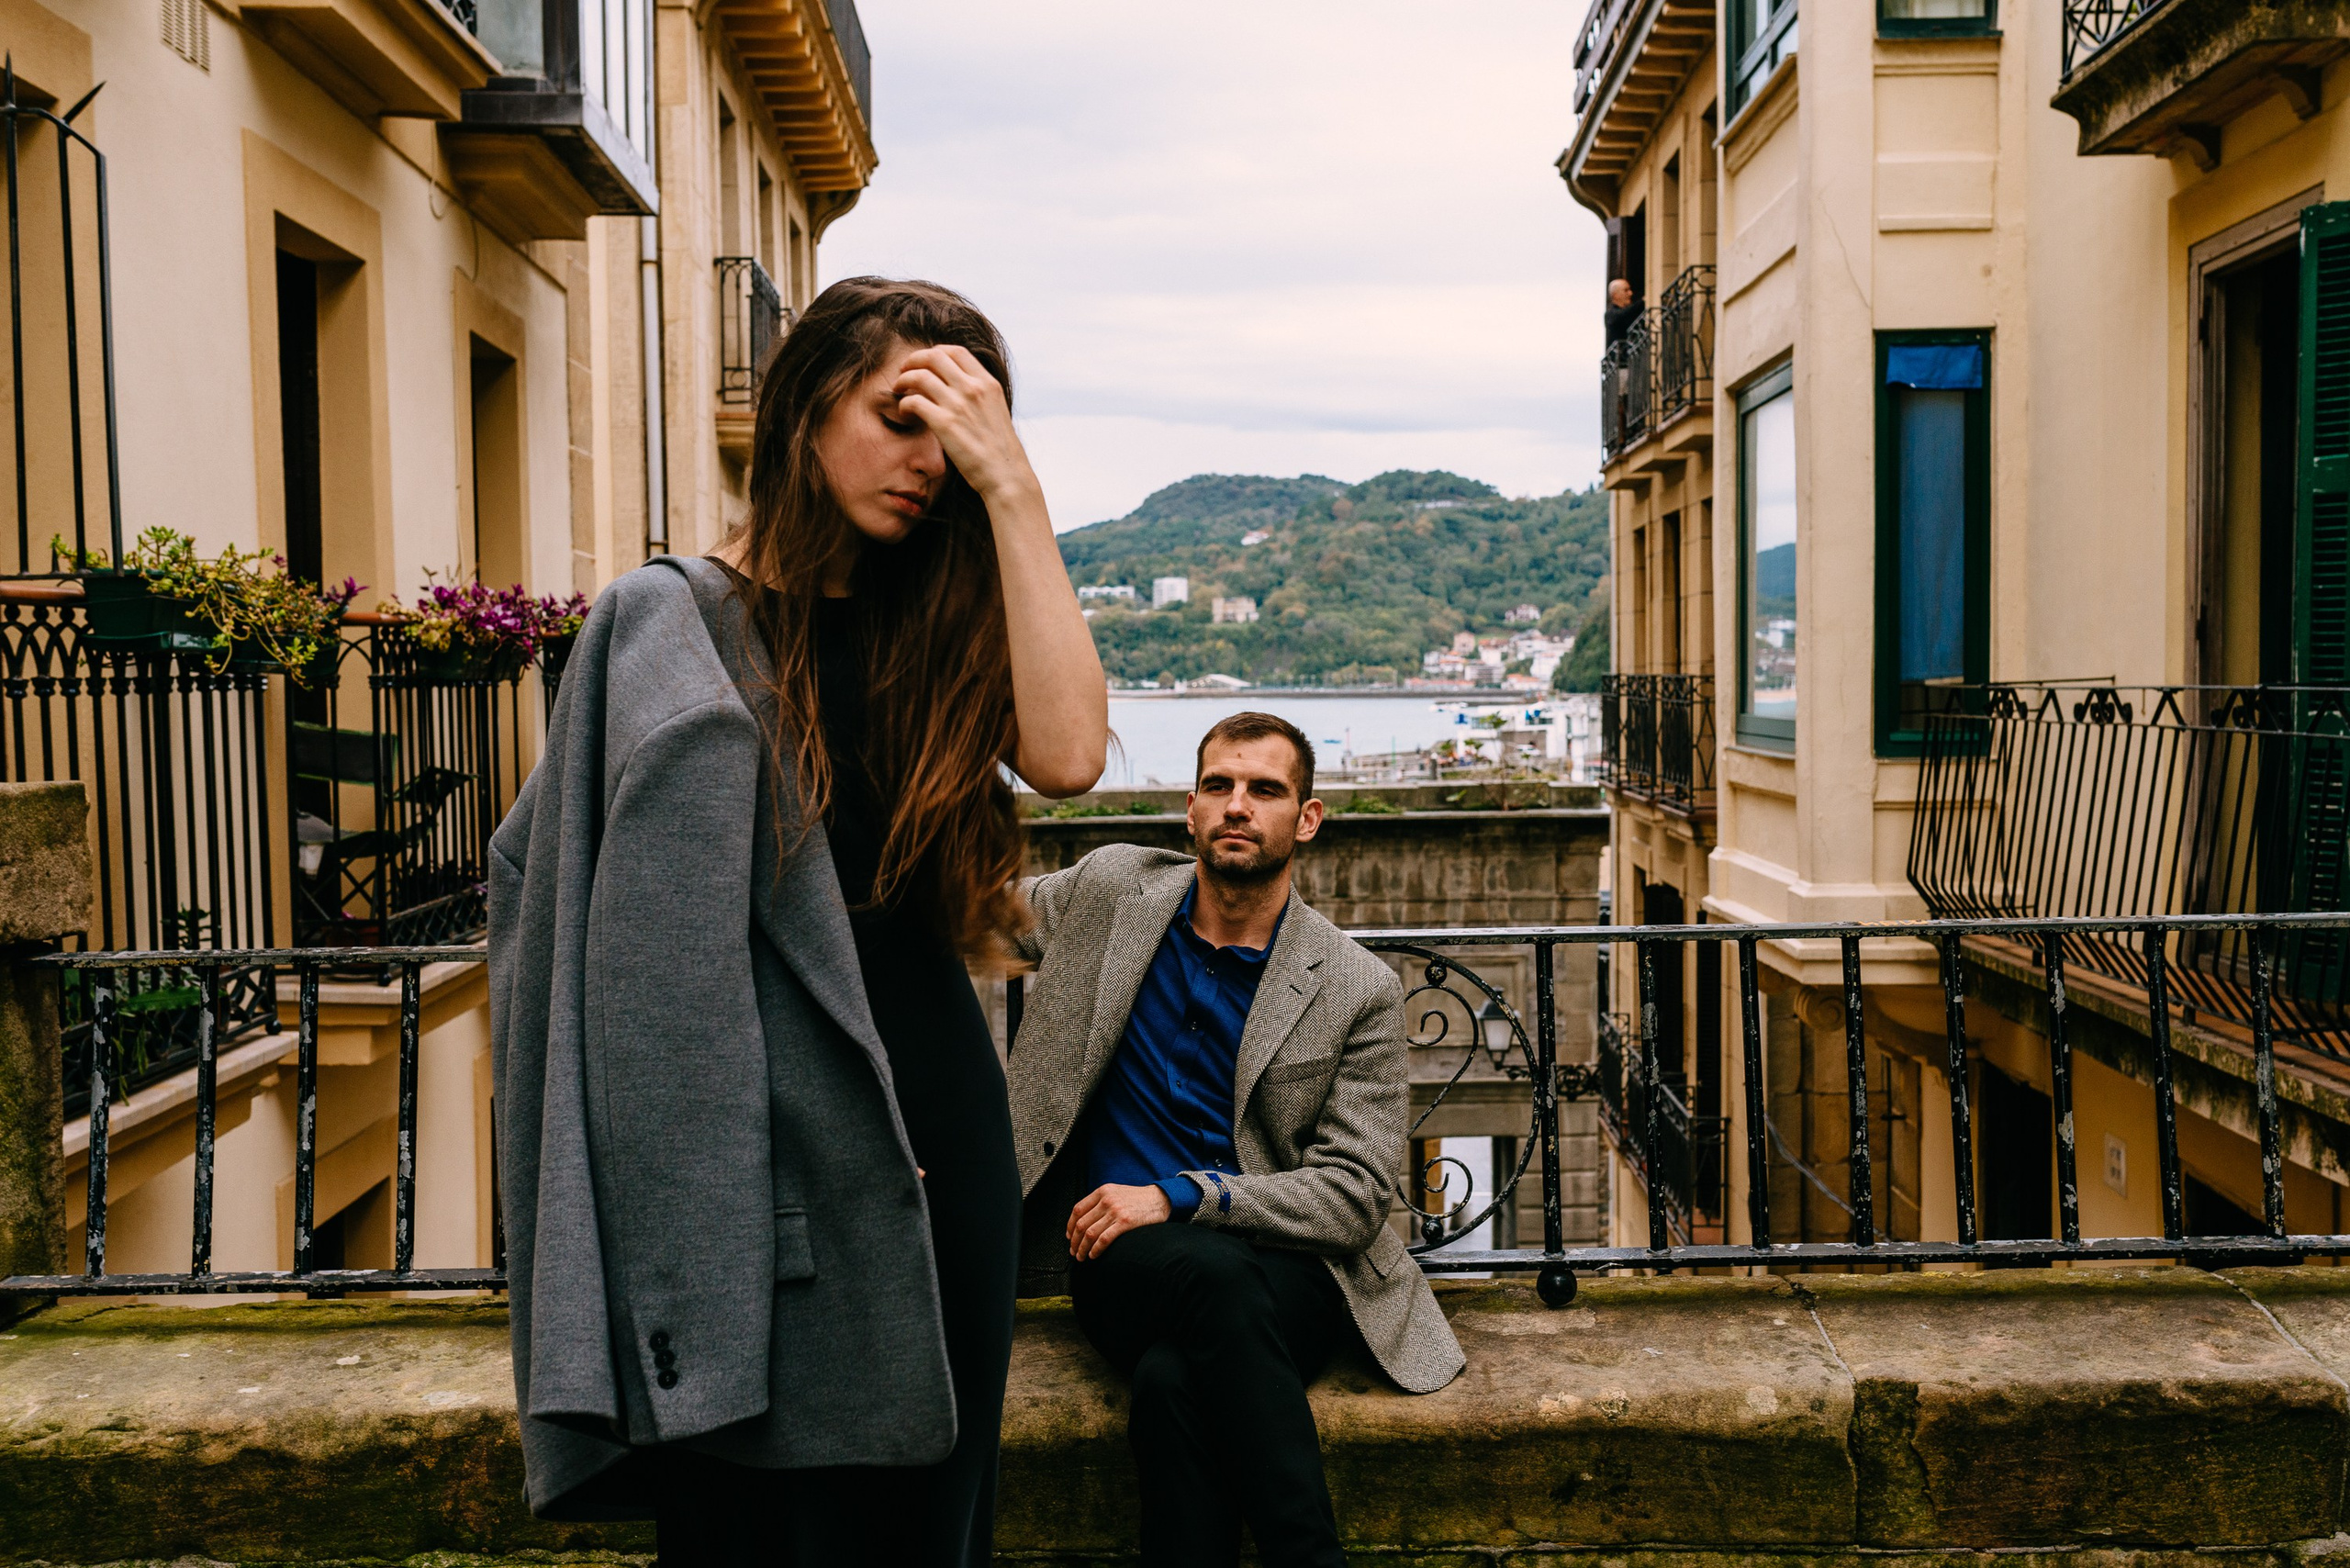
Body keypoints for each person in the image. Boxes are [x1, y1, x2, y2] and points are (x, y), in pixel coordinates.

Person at [488, 276, 1106, 1566]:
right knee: (753, 1522)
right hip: (756, 1151)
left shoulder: (932, 622)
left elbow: (1069, 755)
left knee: (924, 1524)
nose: (927, 463)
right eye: (899, 419)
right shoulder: (673, 621)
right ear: (805, 406)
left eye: (954, 436)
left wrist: (1014, 489)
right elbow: (598, 928)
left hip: (936, 1131)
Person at [1005, 713, 1465, 1568]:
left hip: (1287, 1271)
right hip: (1119, 1256)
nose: (1237, 806)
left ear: (1307, 818)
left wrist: (1182, 1195)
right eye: (1218, 786)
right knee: (1206, 1284)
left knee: (1171, 1382)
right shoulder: (1113, 892)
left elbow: (1356, 1195)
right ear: (1190, 809)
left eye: (1265, 790)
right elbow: (967, 915)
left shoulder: (1356, 986)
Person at [1604, 276, 1641, 347]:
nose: (1630, 293)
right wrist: (1644, 301)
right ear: (1615, 295)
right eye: (1626, 290)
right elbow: (1623, 315)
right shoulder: (1610, 314)